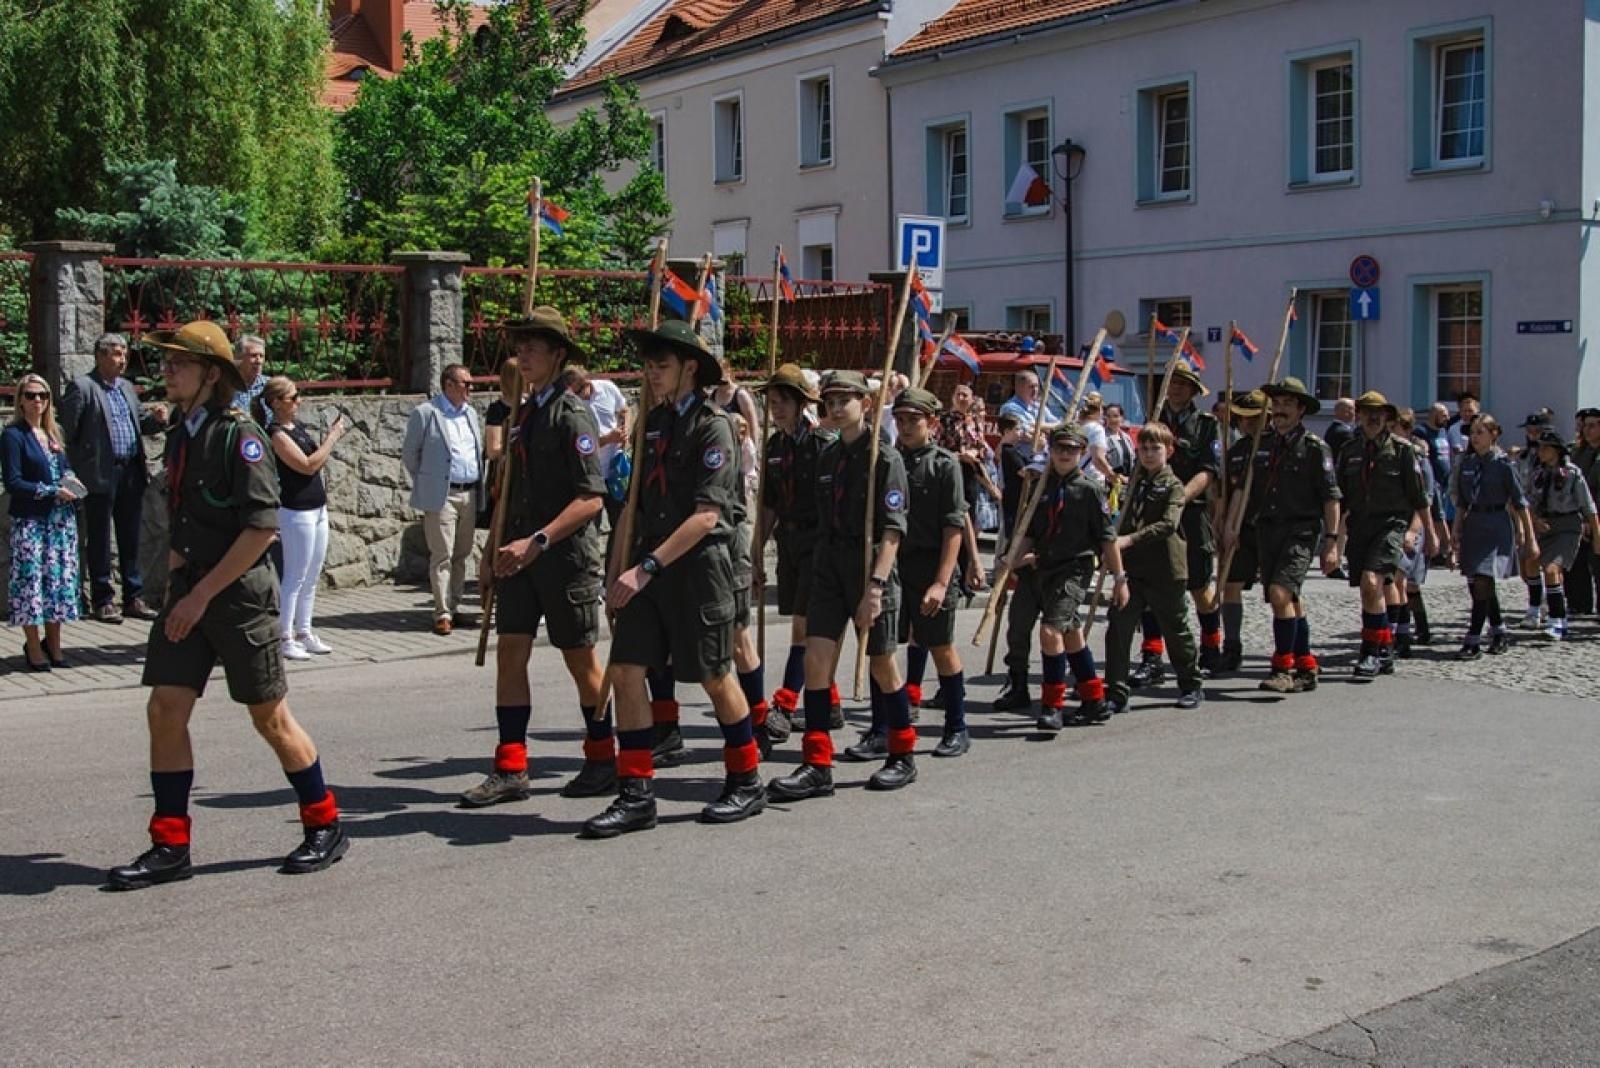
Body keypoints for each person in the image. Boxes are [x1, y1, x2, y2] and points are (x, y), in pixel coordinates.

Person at [108, 320, 347, 890]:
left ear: (210, 375)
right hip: (190, 595)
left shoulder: (240, 436)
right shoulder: (183, 434)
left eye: (179, 363)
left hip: (238, 597)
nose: (167, 371)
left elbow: (261, 529)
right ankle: (171, 844)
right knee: (165, 709)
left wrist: (199, 596)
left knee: (270, 717)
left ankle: (325, 823)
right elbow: (182, 519)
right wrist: (176, 589)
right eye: (166, 362)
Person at [581, 321, 765, 837]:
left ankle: (746, 779)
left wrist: (644, 569)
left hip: (698, 570)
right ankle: (636, 794)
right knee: (626, 671)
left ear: (689, 369)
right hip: (647, 567)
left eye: (661, 365)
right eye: (648, 365)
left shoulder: (715, 426)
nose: (651, 373)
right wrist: (615, 574)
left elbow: (708, 515)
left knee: (715, 675)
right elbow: (632, 507)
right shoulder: (652, 423)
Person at [461, 308, 617, 807]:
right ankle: (511, 767)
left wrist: (538, 542)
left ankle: (602, 758)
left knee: (579, 659)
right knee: (510, 651)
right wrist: (490, 553)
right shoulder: (521, 414)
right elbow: (507, 491)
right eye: (520, 346)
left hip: (562, 558)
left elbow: (591, 498)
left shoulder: (573, 415)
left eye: (533, 347)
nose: (523, 355)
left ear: (557, 354)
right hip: (516, 557)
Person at [767, 369, 914, 801]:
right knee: (816, 659)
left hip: (869, 566)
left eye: (843, 400)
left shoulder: (885, 459)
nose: (834, 407)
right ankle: (817, 764)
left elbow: (893, 531)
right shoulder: (828, 457)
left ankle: (902, 753)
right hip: (828, 565)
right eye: (829, 400)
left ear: (865, 404)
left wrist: (875, 588)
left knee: (882, 663)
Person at [869, 387, 969, 759]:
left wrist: (942, 582)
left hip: (930, 566)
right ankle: (881, 729)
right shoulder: (887, 460)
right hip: (894, 566)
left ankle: (956, 726)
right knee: (882, 648)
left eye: (914, 420)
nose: (906, 426)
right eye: (900, 419)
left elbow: (953, 527)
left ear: (932, 423)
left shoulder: (945, 465)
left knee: (940, 647)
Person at [1011, 423, 1126, 728]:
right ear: (1050, 450)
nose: (1064, 454)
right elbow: (1030, 532)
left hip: (1074, 569)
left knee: (1050, 632)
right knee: (1072, 633)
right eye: (1059, 448)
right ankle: (1094, 700)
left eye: (1072, 450)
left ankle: (1052, 706)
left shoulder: (1090, 490)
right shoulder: (1042, 488)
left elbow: (1107, 538)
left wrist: (1120, 578)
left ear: (1082, 452)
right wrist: (1012, 559)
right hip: (1044, 569)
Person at [753, 364, 840, 743]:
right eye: (772, 402)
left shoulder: (822, 445)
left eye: (784, 402)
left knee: (803, 628)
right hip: (787, 544)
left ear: (802, 404)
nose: (777, 409)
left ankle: (785, 706)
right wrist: (756, 552)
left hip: (816, 544)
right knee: (805, 627)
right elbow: (768, 504)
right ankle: (830, 703)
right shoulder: (774, 447)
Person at [1242, 377, 1341, 694]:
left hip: (1300, 530)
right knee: (1289, 599)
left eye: (1287, 404)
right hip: (1268, 529)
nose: (1280, 410)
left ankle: (1282, 668)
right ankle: (1306, 665)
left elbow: (1331, 497)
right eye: (1277, 404)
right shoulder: (1263, 444)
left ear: (1301, 410)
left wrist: (1332, 542)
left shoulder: (1314, 448)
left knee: (1280, 593)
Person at [59, 332, 166, 623]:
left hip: (130, 470)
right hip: (99, 474)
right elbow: (68, 432)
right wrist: (76, 470)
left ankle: (133, 597)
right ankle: (103, 599)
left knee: (131, 536)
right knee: (100, 538)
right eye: (117, 354)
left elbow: (139, 424)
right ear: (100, 356)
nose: (123, 360)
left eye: (125, 354)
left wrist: (156, 420)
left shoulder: (127, 388)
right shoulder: (83, 387)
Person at [1104, 423, 1203, 713]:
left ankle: (1191, 684)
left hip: (1165, 567)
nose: (1148, 454)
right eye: (1144, 448)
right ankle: (1116, 691)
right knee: (1119, 626)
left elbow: (1168, 524)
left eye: (1155, 448)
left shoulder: (1173, 485)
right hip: (1133, 567)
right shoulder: (1135, 483)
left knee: (1175, 629)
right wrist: (1112, 547)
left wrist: (1130, 539)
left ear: (1169, 451)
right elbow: (1122, 518)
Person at [1134, 362, 1222, 684]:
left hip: (1192, 511)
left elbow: (1209, 471)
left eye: (1183, 384)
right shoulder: (1154, 420)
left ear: (1194, 390)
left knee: (1199, 585)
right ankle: (1152, 657)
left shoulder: (1206, 425)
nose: (1176, 389)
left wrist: (1178, 498)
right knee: (1150, 584)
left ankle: (1211, 649)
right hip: (1153, 511)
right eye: (1172, 383)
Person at [1334, 392, 1429, 679]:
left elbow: (1419, 497)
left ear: (1387, 417)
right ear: (1359, 416)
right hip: (1360, 526)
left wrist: (1434, 535)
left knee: (1372, 581)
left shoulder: (1402, 450)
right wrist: (1332, 540)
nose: (1373, 417)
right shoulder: (1349, 450)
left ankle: (1370, 652)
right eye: (1367, 412)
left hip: (1391, 525)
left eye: (1379, 412)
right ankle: (1385, 645)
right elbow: (1339, 498)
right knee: (1369, 590)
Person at [258, 377, 347, 661]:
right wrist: (332, 438)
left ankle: (304, 631)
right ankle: (285, 636)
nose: (299, 401)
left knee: (312, 575)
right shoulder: (275, 433)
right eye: (293, 397)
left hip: (316, 508)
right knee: (295, 575)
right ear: (276, 403)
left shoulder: (295, 427)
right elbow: (307, 465)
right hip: (295, 511)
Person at [3, 374, 81, 670]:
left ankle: (55, 645)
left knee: (57, 584)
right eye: (31, 395)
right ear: (21, 400)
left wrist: (71, 481)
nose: (38, 401)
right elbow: (13, 482)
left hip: (60, 522)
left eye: (43, 395)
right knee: (31, 584)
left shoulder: (53, 432)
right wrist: (51, 491)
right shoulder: (13, 435)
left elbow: (64, 467)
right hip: (31, 522)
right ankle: (34, 647)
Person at [402, 364, 483, 635]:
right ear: (449, 385)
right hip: (443, 495)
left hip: (469, 492)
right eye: (466, 383)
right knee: (442, 554)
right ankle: (442, 612)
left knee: (462, 553)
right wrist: (429, 481)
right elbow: (410, 455)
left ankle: (455, 605)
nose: (471, 388)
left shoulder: (470, 413)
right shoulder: (426, 413)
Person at [1450, 414, 1536, 659]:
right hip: (1474, 524)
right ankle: (1499, 631)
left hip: (1496, 524)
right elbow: (1462, 502)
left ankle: (1473, 639)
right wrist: (1456, 529)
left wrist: (1528, 535)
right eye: (1472, 433)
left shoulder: (1503, 464)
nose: (1474, 437)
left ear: (1493, 434)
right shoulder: (1467, 463)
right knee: (1479, 582)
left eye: (1480, 432)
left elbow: (1520, 502)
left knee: (1482, 579)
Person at [1527, 428, 1599, 641]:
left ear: (1557, 450)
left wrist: (1597, 537)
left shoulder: (1572, 473)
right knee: (1530, 563)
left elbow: (1589, 507)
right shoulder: (1537, 473)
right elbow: (1527, 501)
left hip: (1567, 526)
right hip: (1544, 524)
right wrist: (1535, 522)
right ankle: (1535, 609)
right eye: (1539, 447)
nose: (1541, 451)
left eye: (1545, 448)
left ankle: (1557, 619)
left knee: (1552, 569)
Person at [1215, 390, 1267, 672]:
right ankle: (1232, 647)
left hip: (1271, 526)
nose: (1248, 423)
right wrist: (1222, 521)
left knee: (1282, 592)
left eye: (1254, 418)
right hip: (1240, 528)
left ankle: (1295, 650)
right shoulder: (1235, 451)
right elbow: (1226, 490)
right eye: (1244, 418)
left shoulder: (1276, 447)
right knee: (1230, 585)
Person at [563, 363, 630, 525]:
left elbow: (624, 410)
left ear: (587, 382)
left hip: (614, 468)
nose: (577, 397)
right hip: (591, 474)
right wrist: (608, 439)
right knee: (591, 524)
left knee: (621, 520)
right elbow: (581, 445)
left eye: (579, 392)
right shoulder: (571, 406)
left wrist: (625, 429)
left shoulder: (607, 388)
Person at [1568, 408, 1600, 616]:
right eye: (1585, 426)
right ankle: (1580, 604)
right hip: (1580, 515)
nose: (1587, 430)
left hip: (1595, 515)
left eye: (1592, 426)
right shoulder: (1580, 452)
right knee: (1576, 562)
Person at [998, 370, 1056, 437]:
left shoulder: (1038, 406)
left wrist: (1038, 426)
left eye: (1037, 386)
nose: (1035, 390)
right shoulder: (1009, 408)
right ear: (1020, 387)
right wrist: (1047, 428)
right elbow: (1026, 431)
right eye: (1031, 386)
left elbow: (1059, 425)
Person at [232, 334, 268, 420]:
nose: (259, 361)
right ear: (238, 358)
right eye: (253, 355)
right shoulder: (227, 387)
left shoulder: (269, 386)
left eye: (261, 356)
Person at [1103, 403, 1136, 482]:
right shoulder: (1102, 437)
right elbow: (1102, 463)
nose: (1112, 419)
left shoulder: (1127, 437)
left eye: (1115, 416)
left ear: (1122, 418)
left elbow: (1133, 459)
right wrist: (1121, 478)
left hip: (1129, 481)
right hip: (1112, 482)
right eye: (1109, 416)